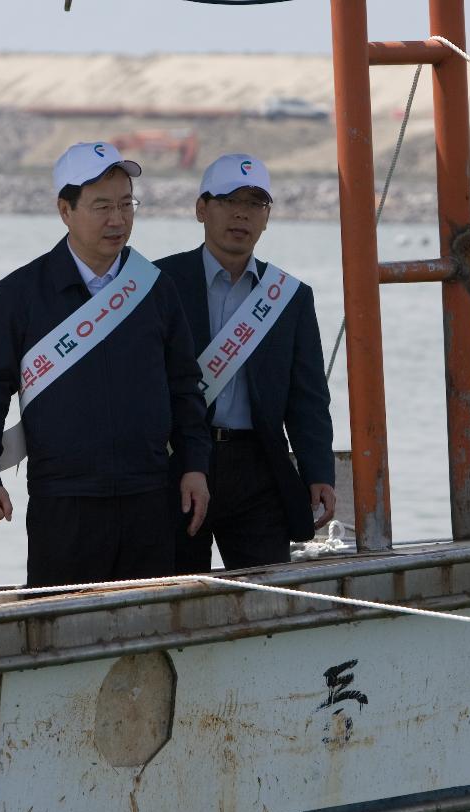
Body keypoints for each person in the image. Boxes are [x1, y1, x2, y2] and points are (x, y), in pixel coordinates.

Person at [0, 141, 210, 587]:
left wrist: (195, 465)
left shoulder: (155, 288)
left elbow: (185, 387)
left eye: (125, 204)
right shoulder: (21, 293)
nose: (117, 220)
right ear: (65, 210)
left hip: (149, 495)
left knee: (146, 632)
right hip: (64, 499)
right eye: (101, 207)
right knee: (59, 633)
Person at [156, 153, 335, 570]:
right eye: (228, 200)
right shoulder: (159, 283)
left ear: (267, 217)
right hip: (176, 464)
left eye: (255, 203)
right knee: (176, 594)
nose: (242, 214)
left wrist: (318, 471)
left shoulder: (289, 297)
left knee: (267, 599)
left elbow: (307, 397)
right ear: (201, 209)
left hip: (259, 467)